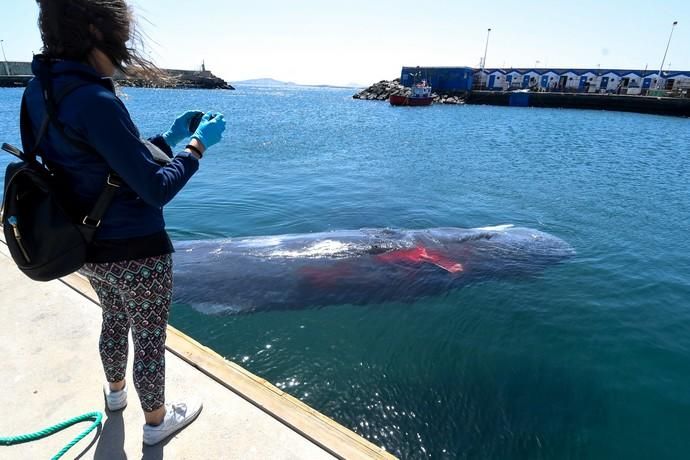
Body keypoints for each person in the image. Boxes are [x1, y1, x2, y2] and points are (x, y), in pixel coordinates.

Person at [26, 0, 226, 446]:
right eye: (123, 35)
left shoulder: (40, 91)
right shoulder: (96, 98)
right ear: (97, 31)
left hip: (85, 244)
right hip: (138, 249)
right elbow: (155, 187)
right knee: (150, 337)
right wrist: (196, 147)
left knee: (114, 319)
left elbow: (98, 162)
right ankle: (156, 423)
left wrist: (168, 138)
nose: (126, 47)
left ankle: (115, 396)